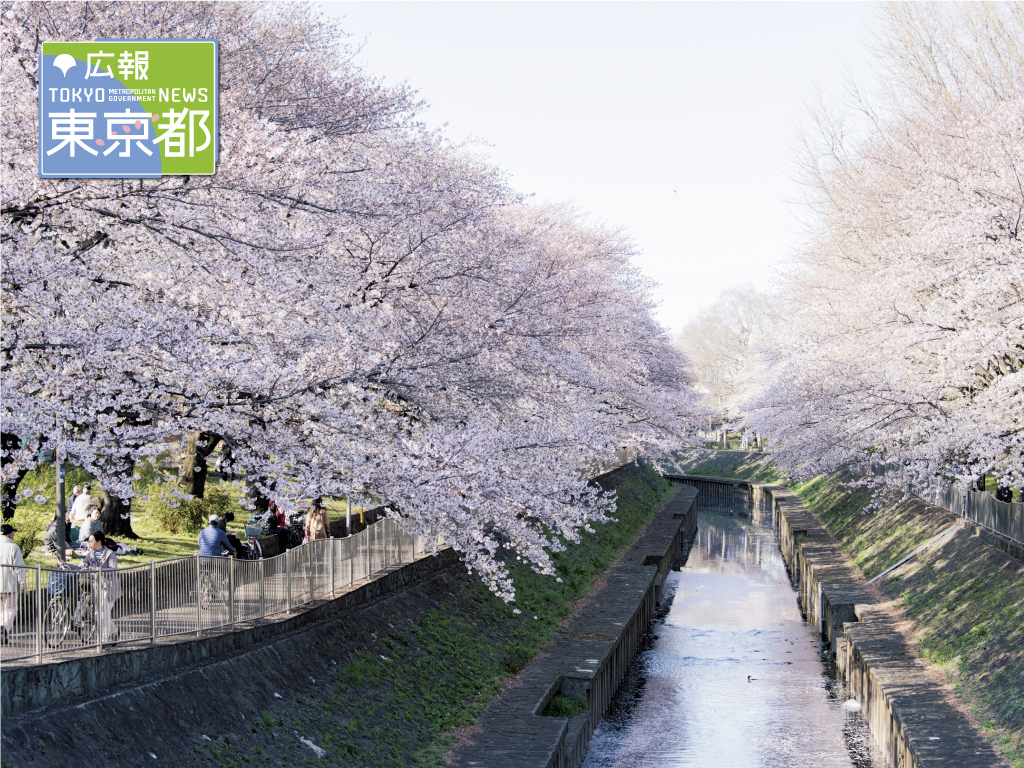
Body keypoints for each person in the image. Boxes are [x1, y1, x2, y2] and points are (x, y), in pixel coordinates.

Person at [73, 531, 121, 644]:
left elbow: (113, 569)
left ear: (99, 542)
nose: (89, 544)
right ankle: (114, 630)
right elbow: (81, 565)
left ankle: (102, 641)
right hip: (97, 588)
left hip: (110, 588)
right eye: (88, 541)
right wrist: (66, 565)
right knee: (100, 614)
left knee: (103, 614)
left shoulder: (110, 554)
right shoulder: (90, 554)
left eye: (91, 541)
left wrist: (98, 570)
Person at [0, 524, 26, 645]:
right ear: (10, 535)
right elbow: (19, 567)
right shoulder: (13, 547)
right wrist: (22, 582)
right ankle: (3, 628)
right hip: (9, 585)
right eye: (13, 534)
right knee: (10, 609)